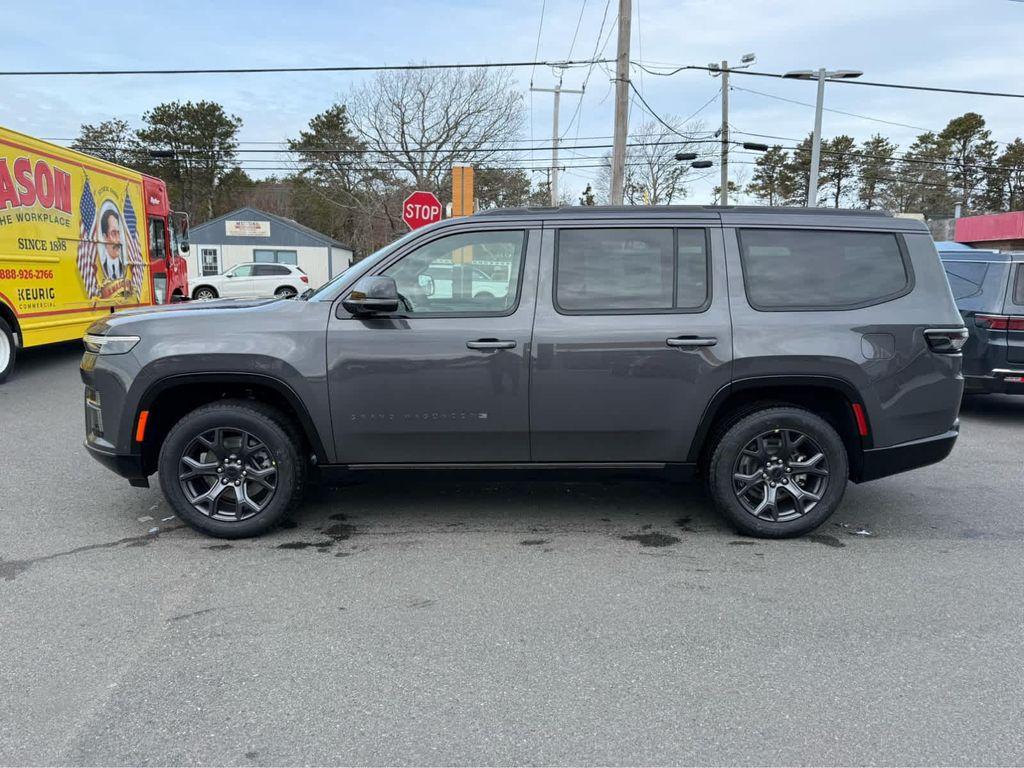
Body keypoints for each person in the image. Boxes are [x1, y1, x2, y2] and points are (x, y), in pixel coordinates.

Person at [99, 208, 125, 281]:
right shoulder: (100, 269)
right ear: (105, 237)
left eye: (118, 233)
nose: (118, 240)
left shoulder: (125, 268)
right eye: (113, 233)